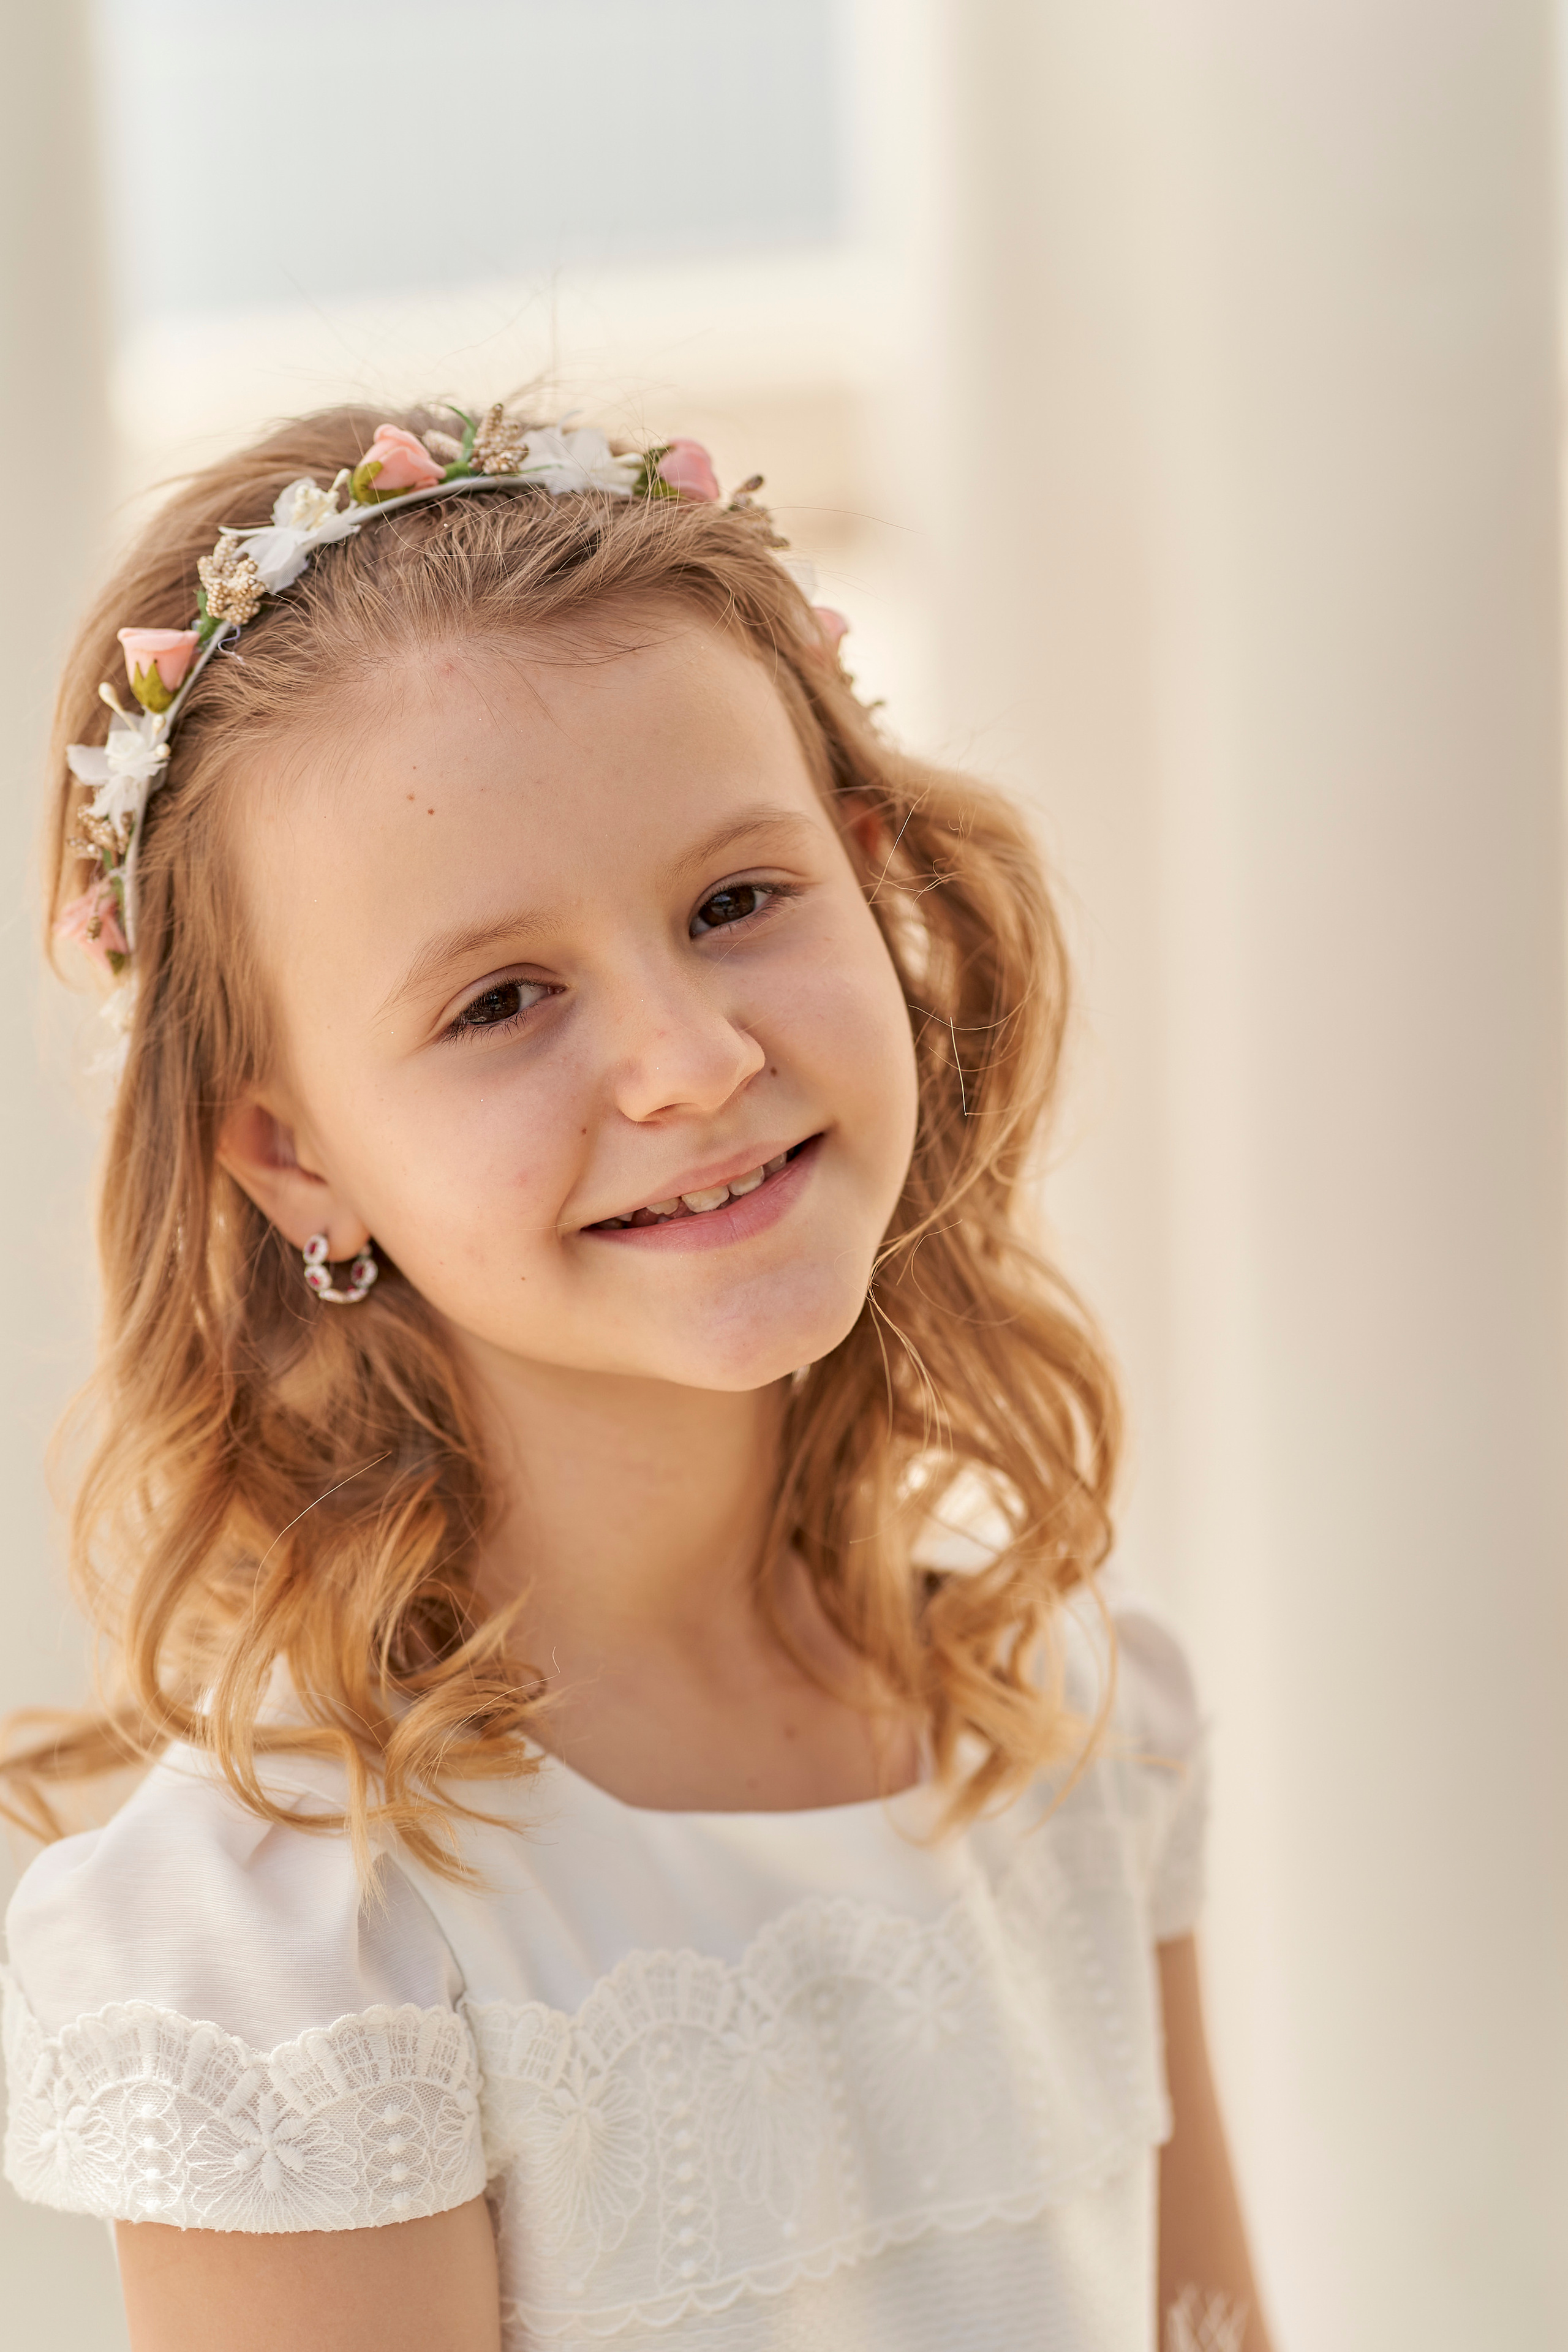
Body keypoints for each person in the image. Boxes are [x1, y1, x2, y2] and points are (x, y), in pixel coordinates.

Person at [1, 402, 1271, 2352]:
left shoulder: (1079, 1726)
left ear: (875, 889)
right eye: (503, 1001)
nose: (687, 1062)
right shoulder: (310, 1953)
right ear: (294, 1155)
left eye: (736, 905)